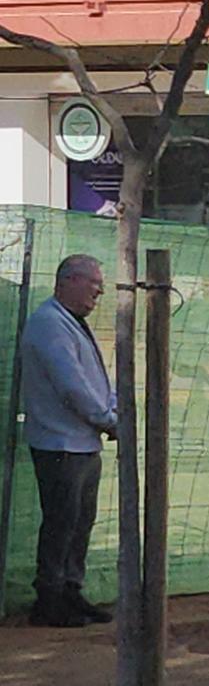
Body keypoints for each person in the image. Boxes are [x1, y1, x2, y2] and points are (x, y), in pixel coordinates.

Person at [20, 255, 116, 628]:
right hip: (60, 443)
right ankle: (50, 598)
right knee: (62, 522)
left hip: (82, 442)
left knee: (79, 522)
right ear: (69, 280)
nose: (99, 292)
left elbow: (92, 382)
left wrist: (108, 414)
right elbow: (72, 386)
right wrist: (108, 419)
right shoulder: (50, 324)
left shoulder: (68, 323)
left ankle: (70, 591)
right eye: (94, 284)